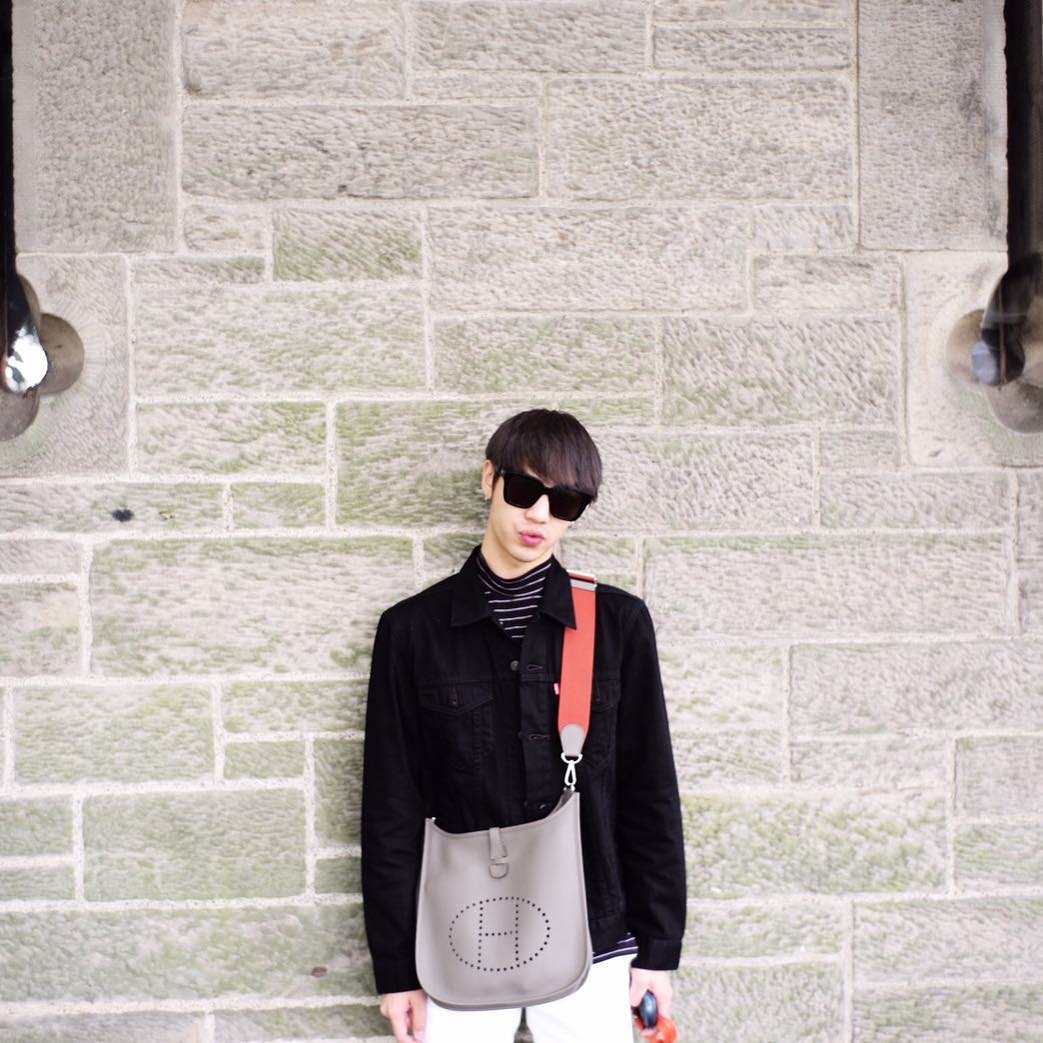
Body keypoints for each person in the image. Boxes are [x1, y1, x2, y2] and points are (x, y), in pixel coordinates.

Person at [361, 408, 686, 1043]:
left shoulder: (616, 624)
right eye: (524, 490)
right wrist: (397, 970)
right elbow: (391, 810)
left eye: (565, 502)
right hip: (456, 936)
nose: (539, 515)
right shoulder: (411, 631)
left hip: (597, 936)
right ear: (490, 479)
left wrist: (657, 951)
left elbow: (650, 794)